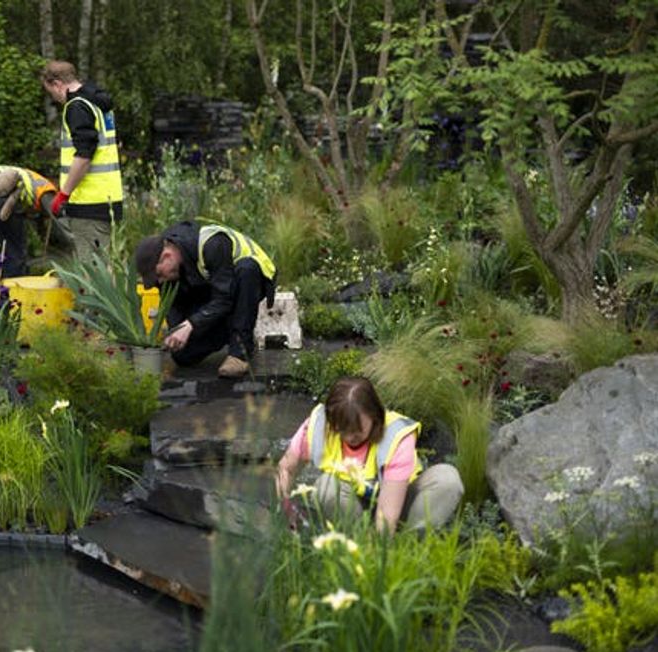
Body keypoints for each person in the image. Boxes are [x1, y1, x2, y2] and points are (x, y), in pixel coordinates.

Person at [275, 376, 464, 533]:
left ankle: (410, 548)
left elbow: (387, 515)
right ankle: (355, 547)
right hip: (353, 511)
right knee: (326, 486)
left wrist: (381, 557)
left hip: (399, 505)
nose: (350, 437)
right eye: (342, 429)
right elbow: (286, 468)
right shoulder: (318, 426)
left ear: (375, 416)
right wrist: (287, 507)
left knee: (447, 479)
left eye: (357, 430)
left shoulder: (396, 436)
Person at [134, 220, 277, 378]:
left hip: (250, 281)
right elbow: (175, 309)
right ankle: (232, 328)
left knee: (247, 269)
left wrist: (191, 324)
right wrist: (176, 334)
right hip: (217, 289)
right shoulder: (171, 264)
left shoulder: (212, 244)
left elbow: (224, 298)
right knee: (183, 355)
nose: (159, 281)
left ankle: (240, 351)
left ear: (167, 256)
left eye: (159, 275)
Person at [40, 60, 123, 258]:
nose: (55, 98)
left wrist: (64, 194)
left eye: (51, 92)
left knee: (92, 274)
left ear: (57, 84)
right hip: (109, 198)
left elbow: (85, 154)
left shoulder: (77, 107)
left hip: (89, 202)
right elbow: (116, 145)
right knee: (104, 270)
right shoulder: (100, 105)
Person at [0, 164, 73, 277]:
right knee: (14, 250)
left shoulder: (32, 182)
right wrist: (74, 240)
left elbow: (40, 222)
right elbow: (58, 220)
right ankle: (13, 288)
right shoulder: (47, 190)